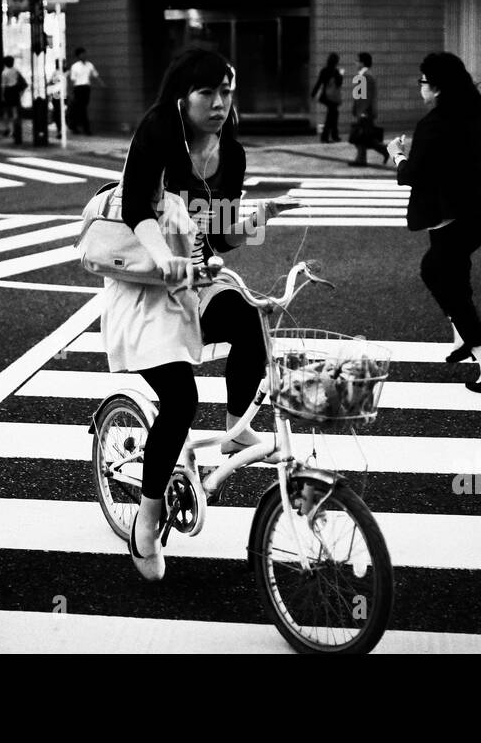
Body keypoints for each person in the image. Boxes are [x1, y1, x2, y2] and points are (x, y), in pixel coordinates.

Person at [101, 47, 287, 581]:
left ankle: (235, 431)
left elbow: (220, 231)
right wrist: (166, 258)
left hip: (197, 283)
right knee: (181, 398)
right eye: (209, 92)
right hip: (147, 289)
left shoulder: (232, 152)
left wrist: (259, 218)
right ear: (183, 97)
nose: (220, 102)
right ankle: (146, 518)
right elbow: (138, 204)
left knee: (252, 324)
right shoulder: (158, 130)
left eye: (227, 91)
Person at [388, 52, 481, 395]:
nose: (419, 87)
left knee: (437, 274)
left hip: (451, 218)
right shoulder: (480, 116)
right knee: (454, 275)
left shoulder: (434, 124)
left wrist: (397, 153)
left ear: (438, 86)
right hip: (478, 212)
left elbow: (412, 174)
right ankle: (462, 338)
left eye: (422, 81)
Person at [349, 51, 389, 166]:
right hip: (364, 111)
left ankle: (361, 159)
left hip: (365, 111)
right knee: (366, 136)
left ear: (362, 63)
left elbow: (365, 97)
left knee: (361, 135)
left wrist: (361, 111)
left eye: (357, 61)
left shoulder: (365, 76)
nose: (355, 63)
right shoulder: (364, 75)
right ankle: (384, 151)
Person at [67, 47, 102, 135]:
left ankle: (74, 126)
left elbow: (95, 75)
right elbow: (72, 80)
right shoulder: (75, 66)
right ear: (78, 56)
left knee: (81, 108)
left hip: (86, 89)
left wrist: (101, 83)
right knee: (82, 109)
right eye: (82, 54)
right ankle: (86, 129)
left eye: (85, 53)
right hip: (78, 89)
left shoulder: (89, 65)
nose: (84, 55)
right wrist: (71, 92)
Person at [311, 53, 344, 143]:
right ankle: (327, 137)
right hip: (333, 98)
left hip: (325, 97)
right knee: (331, 117)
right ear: (336, 62)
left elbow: (319, 83)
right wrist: (341, 74)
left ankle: (333, 136)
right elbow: (339, 84)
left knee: (333, 115)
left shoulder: (324, 70)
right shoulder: (336, 71)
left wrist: (313, 94)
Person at [0, 55, 27, 139]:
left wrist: (2, 96)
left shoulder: (4, 72)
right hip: (15, 91)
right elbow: (23, 83)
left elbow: (3, 86)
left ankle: (7, 129)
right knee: (15, 112)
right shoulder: (16, 71)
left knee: (6, 112)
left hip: (8, 92)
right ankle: (16, 130)